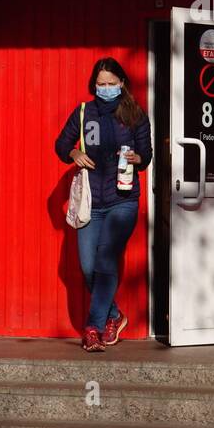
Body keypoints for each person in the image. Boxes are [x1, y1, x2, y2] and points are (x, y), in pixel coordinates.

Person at [54, 57, 152, 352]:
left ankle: (93, 327)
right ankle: (114, 316)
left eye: (111, 83)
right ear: (93, 85)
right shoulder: (84, 113)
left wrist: (137, 159)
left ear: (122, 83)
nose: (106, 88)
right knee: (88, 266)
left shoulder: (135, 115)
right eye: (101, 84)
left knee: (106, 259)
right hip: (91, 202)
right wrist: (73, 153)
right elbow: (60, 145)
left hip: (122, 201)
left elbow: (146, 156)